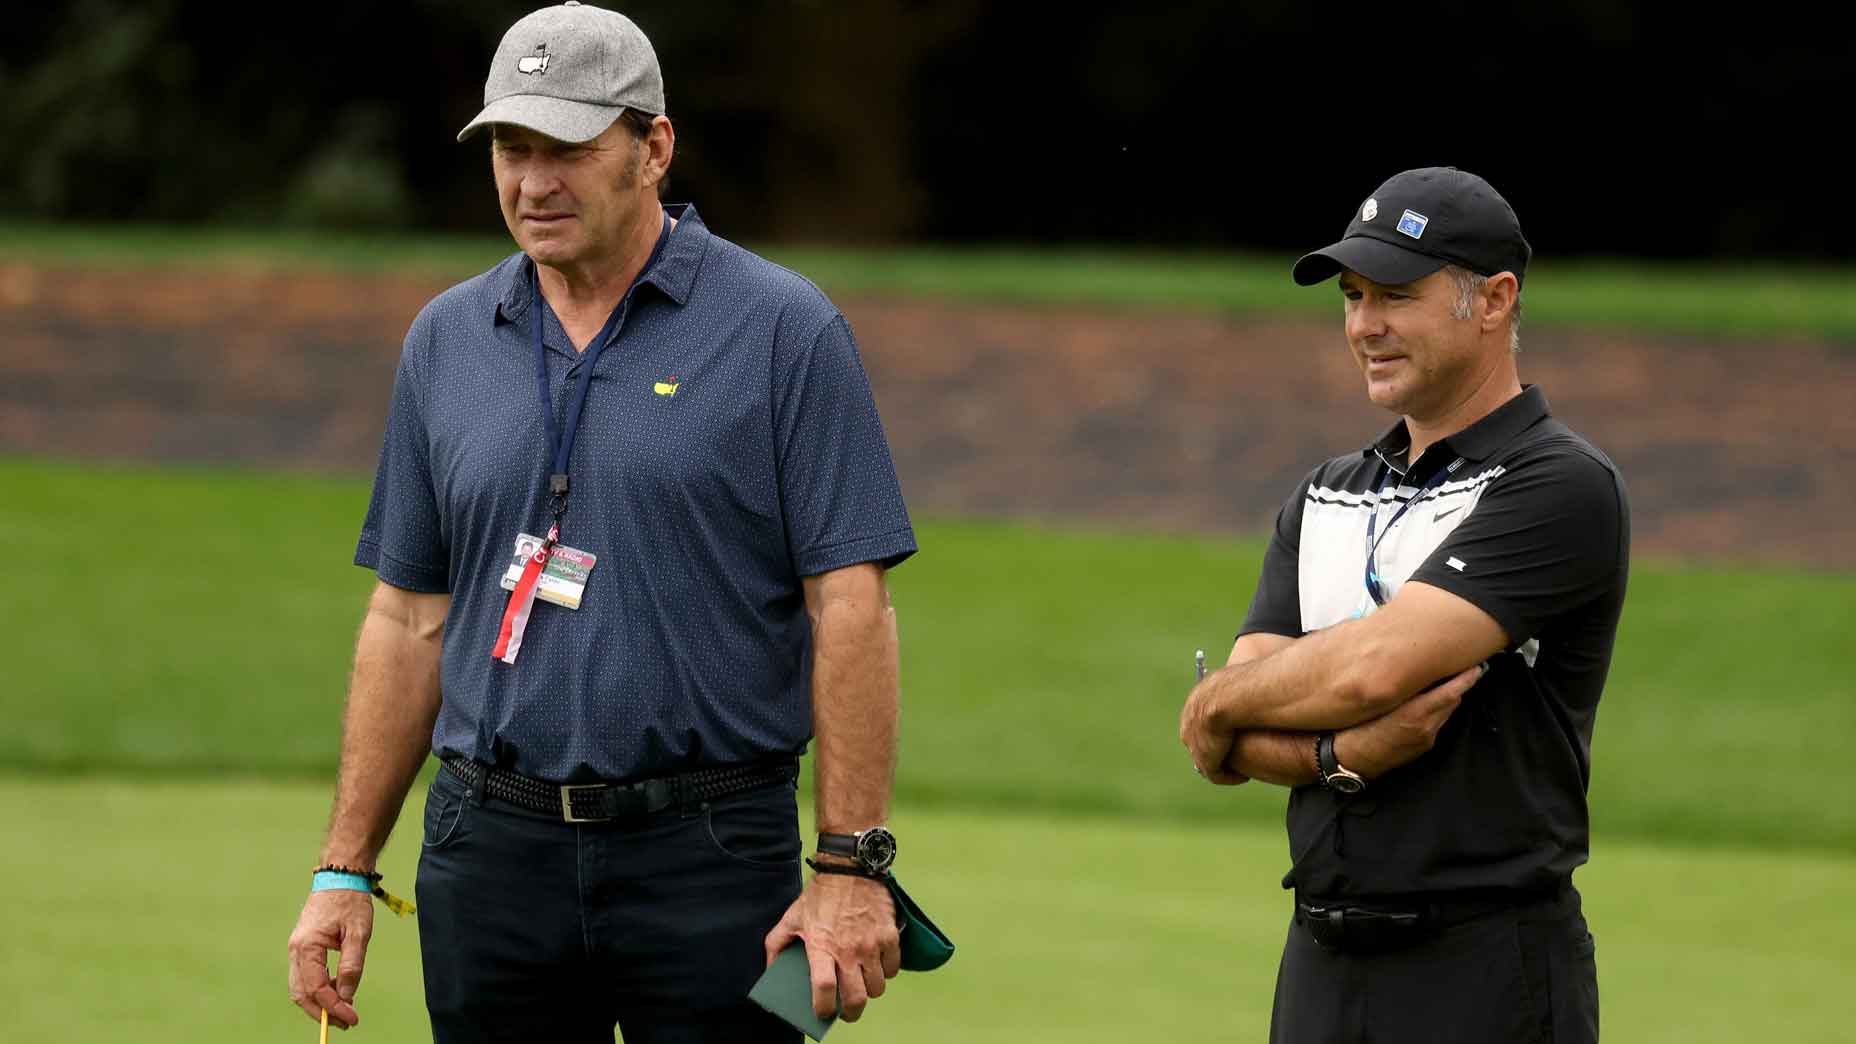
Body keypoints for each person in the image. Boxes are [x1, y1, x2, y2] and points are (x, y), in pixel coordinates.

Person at [284, 4, 917, 1041]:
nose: (533, 184)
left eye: (567, 150)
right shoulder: (444, 340)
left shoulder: (782, 329)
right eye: (510, 149)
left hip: (713, 851)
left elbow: (849, 605)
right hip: (485, 850)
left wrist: (849, 867)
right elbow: (406, 619)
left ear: (651, 147)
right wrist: (342, 868)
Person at [1179, 166, 1628, 1044]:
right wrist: (1341, 754)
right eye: (1351, 296)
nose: (1363, 325)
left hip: (1485, 969)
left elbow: (1367, 671)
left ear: (1494, 300)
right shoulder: (1325, 493)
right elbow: (1259, 700)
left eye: (1394, 294)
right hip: (1318, 963)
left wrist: (1212, 707)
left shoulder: (1560, 485)